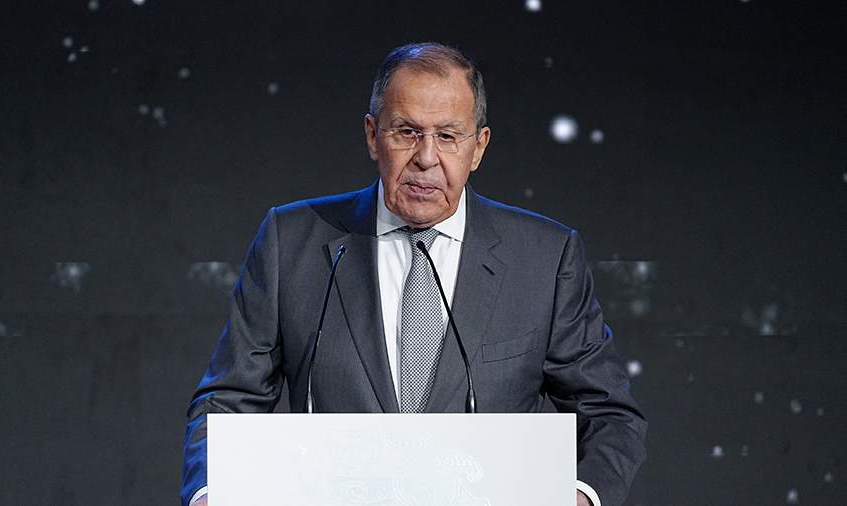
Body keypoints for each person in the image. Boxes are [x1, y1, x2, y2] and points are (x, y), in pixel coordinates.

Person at [182, 42, 646, 506]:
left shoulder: (544, 258)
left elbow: (608, 414)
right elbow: (228, 402)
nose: (426, 157)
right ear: (372, 136)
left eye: (448, 136)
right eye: (407, 131)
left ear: (478, 147)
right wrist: (210, 492)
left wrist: (580, 497)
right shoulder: (292, 242)